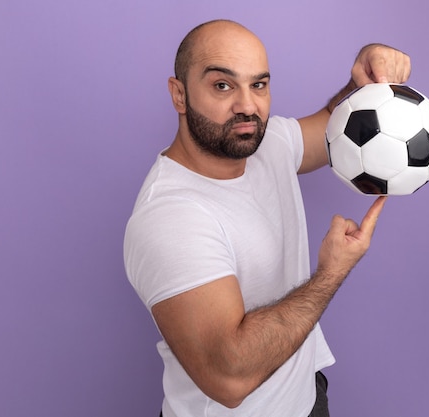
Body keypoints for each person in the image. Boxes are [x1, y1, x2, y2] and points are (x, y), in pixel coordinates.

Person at [124, 19, 411, 417]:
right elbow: (230, 380)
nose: (247, 105)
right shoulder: (170, 216)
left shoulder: (266, 142)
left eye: (258, 85)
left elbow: (336, 126)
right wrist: (331, 273)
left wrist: (362, 80)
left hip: (305, 398)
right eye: (222, 85)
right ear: (179, 94)